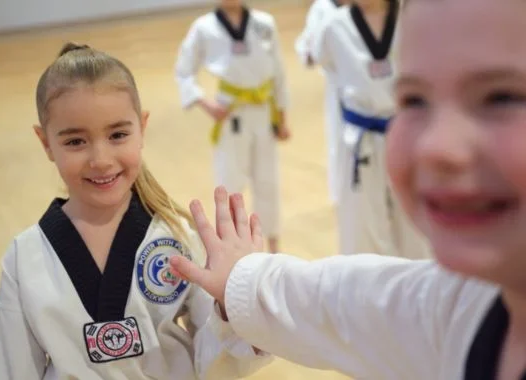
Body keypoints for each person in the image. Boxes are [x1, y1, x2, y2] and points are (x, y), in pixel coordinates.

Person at [169, 0, 526, 378]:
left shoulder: (266, 24)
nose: (437, 146)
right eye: (413, 100)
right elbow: (351, 303)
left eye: (501, 98)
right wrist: (246, 280)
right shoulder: (458, 313)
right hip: (266, 124)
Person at [0, 43, 273, 380]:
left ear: (142, 128)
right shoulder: (25, 257)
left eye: (118, 134)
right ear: (45, 142)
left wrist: (230, 303)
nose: (101, 159)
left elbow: (215, 367)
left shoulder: (178, 237)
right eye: (75, 141)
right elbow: (7, 369)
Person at [308, 0, 431, 258]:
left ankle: (421, 291)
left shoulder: (414, 18)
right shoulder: (333, 25)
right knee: (361, 227)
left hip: (407, 135)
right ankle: (366, 295)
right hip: (360, 141)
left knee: (416, 225)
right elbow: (325, 64)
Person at [174, 0, 290, 253]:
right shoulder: (204, 28)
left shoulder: (264, 23)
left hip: (263, 111)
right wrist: (205, 103)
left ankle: (273, 247)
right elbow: (184, 71)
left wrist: (282, 116)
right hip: (230, 113)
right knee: (230, 182)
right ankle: (233, 249)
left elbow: (278, 72)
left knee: (268, 182)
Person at [295, 0, 348, 205]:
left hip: (373, 87)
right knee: (337, 138)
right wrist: (309, 53)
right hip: (337, 85)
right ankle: (339, 196)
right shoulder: (322, 7)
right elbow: (307, 44)